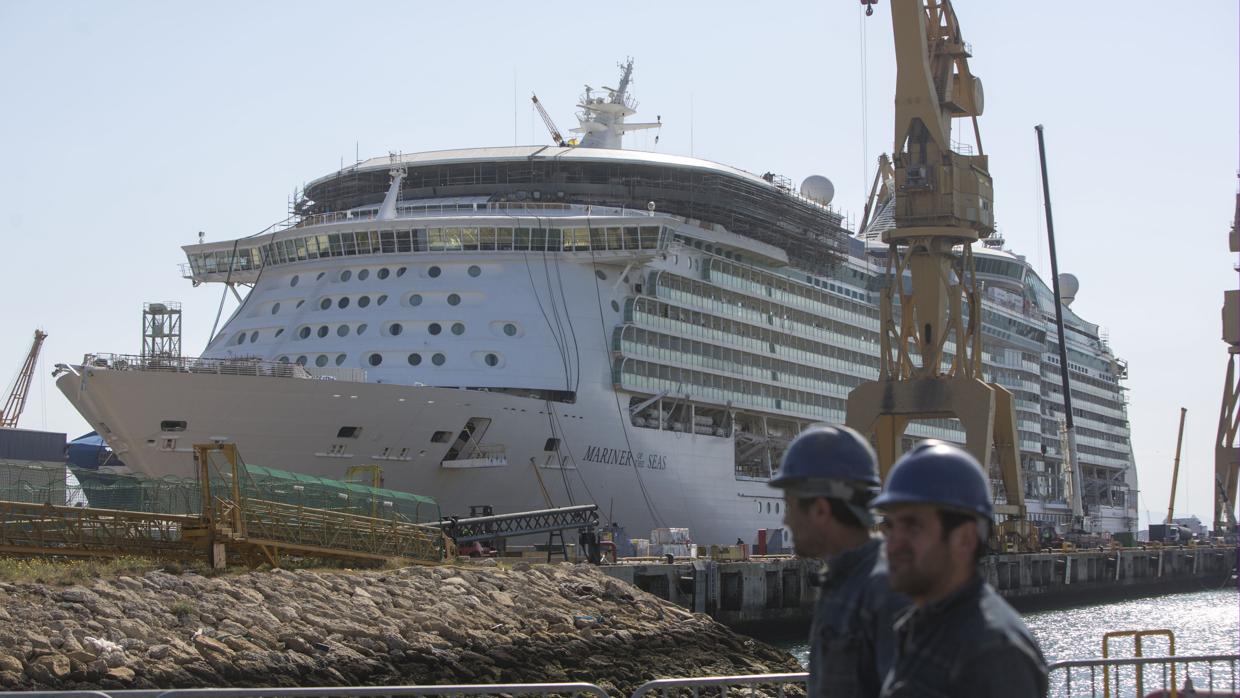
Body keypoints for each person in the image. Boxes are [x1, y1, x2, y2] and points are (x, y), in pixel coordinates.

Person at [871, 441, 1047, 697]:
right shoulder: (922, 627)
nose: (892, 544)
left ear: (964, 539)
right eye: (890, 526)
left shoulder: (994, 652)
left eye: (912, 526)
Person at [769, 425, 909, 698]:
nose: (786, 520)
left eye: (790, 506)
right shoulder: (842, 581)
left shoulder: (886, 592)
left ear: (820, 509)